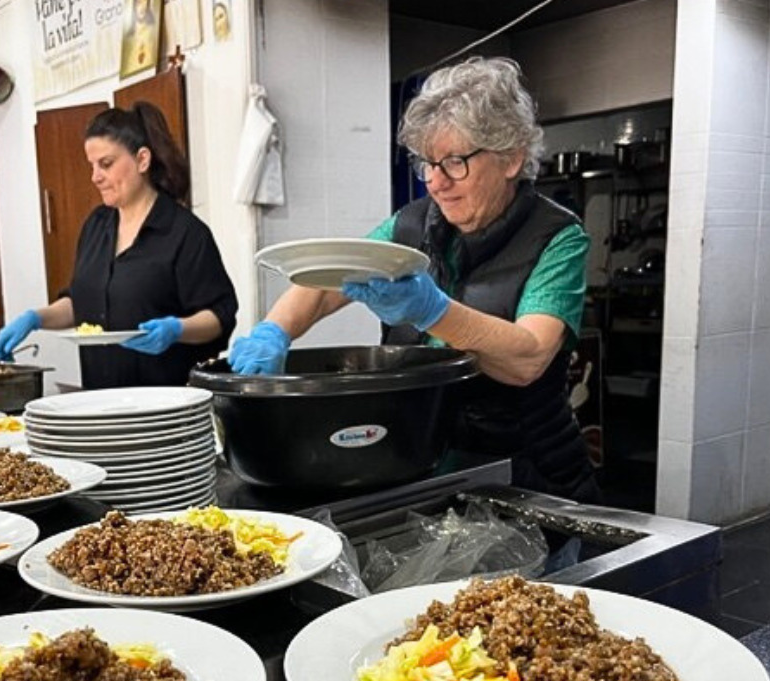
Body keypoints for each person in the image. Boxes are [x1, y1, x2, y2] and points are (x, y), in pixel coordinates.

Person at [228, 57, 599, 502]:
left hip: (528, 477)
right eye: (427, 163)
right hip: (425, 466)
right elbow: (328, 281)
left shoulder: (557, 238)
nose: (436, 183)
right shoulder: (411, 226)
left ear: (511, 157)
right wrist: (274, 330)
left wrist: (433, 310)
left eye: (455, 162)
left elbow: (528, 358)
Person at [0, 102, 237, 389]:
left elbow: (218, 316)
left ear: (142, 160)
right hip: (102, 399)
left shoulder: (184, 233)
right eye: (92, 166)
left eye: (106, 164)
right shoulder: (96, 226)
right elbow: (80, 303)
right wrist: (35, 319)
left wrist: (176, 330)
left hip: (165, 403)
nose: (95, 176)